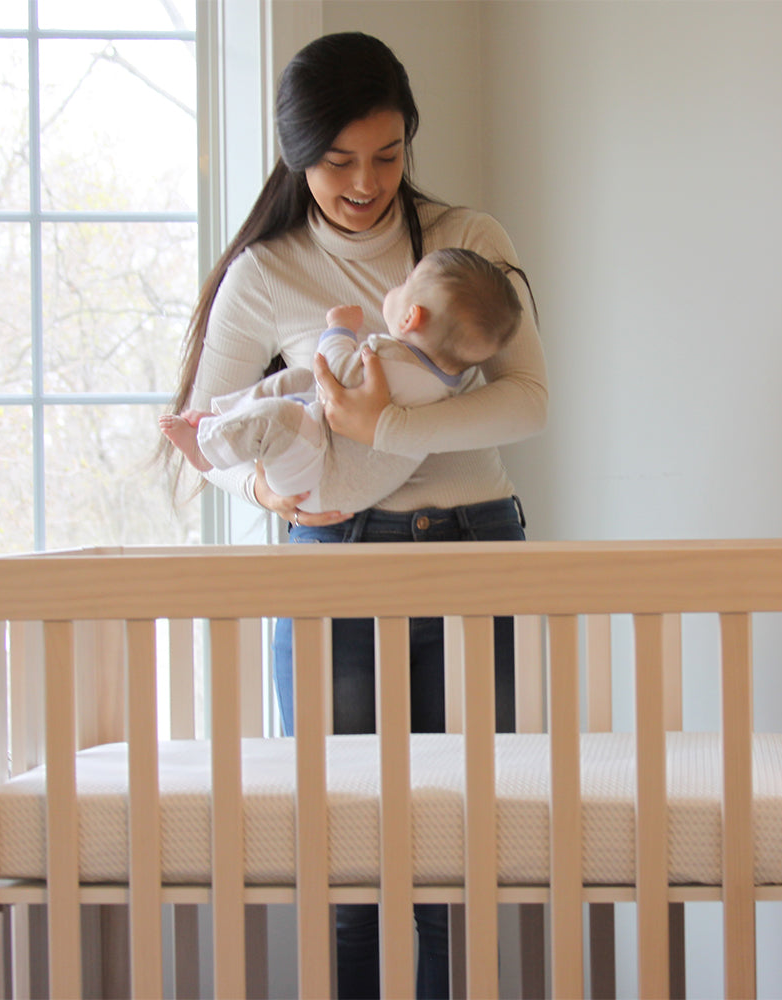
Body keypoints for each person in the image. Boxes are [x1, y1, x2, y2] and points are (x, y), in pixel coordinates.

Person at [164, 31, 548, 1000]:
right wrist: (261, 489)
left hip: (470, 549)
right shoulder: (266, 271)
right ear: (298, 153)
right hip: (334, 561)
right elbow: (209, 431)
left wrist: (391, 419)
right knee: (347, 864)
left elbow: (528, 401)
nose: (366, 182)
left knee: (453, 858)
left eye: (387, 154)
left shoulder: (469, 241)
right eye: (339, 161)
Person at [159, 247, 523, 515]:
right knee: (299, 382)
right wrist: (259, 490)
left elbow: (338, 376)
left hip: (321, 477)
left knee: (280, 415)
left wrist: (338, 330)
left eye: (406, 282)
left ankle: (206, 448)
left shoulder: (395, 362)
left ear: (411, 317)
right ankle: (223, 424)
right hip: (328, 482)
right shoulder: (442, 382)